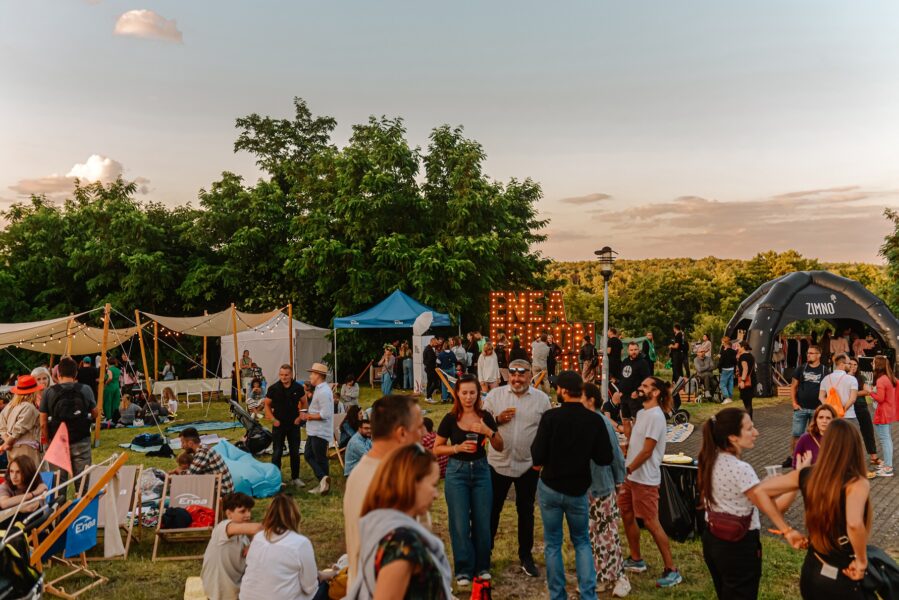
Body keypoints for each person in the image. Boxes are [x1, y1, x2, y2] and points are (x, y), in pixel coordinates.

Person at [697, 407, 806, 599]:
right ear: (733, 437)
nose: (756, 432)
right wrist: (787, 530)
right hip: (739, 546)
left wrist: (769, 485)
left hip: (713, 540)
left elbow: (746, 493)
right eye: (749, 429)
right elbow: (774, 506)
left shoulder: (710, 459)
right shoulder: (741, 469)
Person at [757, 419, 871, 599]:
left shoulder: (807, 474)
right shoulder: (857, 482)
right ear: (855, 447)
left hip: (813, 568)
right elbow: (854, 524)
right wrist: (862, 560)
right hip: (844, 573)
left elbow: (759, 491)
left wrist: (786, 530)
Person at [531, 371, 613, 600]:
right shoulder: (594, 420)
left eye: (558, 387)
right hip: (578, 489)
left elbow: (537, 455)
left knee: (552, 544)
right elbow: (605, 458)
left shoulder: (550, 417)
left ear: (564, 391)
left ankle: (558, 595)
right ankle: (588, 594)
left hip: (550, 487)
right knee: (582, 543)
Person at [347, 444, 453, 600]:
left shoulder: (385, 527)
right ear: (411, 484)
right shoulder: (402, 543)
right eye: (433, 485)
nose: (436, 494)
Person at [344, 394, 423, 587]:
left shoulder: (366, 470)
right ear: (402, 433)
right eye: (419, 427)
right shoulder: (385, 481)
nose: (423, 434)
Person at [483, 358, 551, 578]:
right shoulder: (494, 396)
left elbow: (547, 432)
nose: (517, 378)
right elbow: (481, 424)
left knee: (526, 512)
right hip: (497, 463)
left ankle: (526, 557)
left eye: (522, 374)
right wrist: (497, 419)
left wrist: (539, 462)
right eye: (513, 374)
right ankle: (485, 555)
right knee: (492, 511)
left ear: (530, 375)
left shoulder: (541, 399)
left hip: (527, 466)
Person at [433, 375, 503, 586]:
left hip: (481, 471)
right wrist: (457, 448)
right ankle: (463, 569)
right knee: (460, 522)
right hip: (457, 472)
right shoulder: (450, 419)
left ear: (478, 394)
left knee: (483, 521)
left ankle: (482, 567)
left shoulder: (485, 416)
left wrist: (487, 431)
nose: (468, 397)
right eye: (464, 393)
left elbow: (500, 446)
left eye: (472, 392)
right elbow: (436, 448)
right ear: (457, 394)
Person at [619, 376, 682, 588]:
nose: (640, 388)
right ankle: (636, 559)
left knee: (651, 522)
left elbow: (647, 451)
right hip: (631, 477)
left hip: (645, 479)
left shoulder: (656, 416)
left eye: (645, 386)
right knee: (627, 515)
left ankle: (672, 570)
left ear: (655, 393)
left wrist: (628, 468)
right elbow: (635, 443)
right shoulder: (642, 413)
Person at [582, 383, 628, 596]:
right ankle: (600, 576)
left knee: (607, 534)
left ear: (590, 400)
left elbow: (616, 455)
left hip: (602, 486)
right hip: (586, 487)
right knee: (592, 536)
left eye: (580, 397)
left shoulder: (601, 422)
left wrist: (619, 483)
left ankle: (619, 577)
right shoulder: (583, 421)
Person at [239, 493, 331, 600]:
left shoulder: (258, 537)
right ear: (295, 515)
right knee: (325, 588)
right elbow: (310, 587)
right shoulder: (301, 543)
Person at [40, 356, 97, 479]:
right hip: (81, 438)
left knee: (58, 481)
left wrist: (48, 441)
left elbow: (43, 422)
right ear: (76, 373)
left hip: (58, 440)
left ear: (58, 374)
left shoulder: (48, 392)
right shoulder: (86, 389)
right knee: (83, 480)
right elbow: (95, 413)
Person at [201, 492, 263, 600]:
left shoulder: (243, 536)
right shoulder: (222, 528)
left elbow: (256, 534)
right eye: (242, 511)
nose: (248, 515)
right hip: (219, 591)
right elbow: (257, 528)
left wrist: (252, 545)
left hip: (235, 588)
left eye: (249, 510)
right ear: (229, 513)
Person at [783, 345, 826, 468]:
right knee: (797, 434)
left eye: (811, 353)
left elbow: (828, 390)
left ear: (819, 355)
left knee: (815, 435)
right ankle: (795, 458)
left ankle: (815, 459)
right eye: (808, 353)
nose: (808, 355)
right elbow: (793, 386)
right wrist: (794, 403)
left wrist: (822, 407)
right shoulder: (801, 368)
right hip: (800, 408)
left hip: (816, 410)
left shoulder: (825, 370)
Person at [264, 364, 305, 488]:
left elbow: (304, 403)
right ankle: (276, 479)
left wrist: (299, 417)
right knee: (277, 452)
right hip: (279, 424)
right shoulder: (273, 388)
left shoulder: (298, 388)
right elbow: (267, 405)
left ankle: (295, 478)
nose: (284, 377)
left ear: (291, 375)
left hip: (293, 425)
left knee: (295, 452)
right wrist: (272, 419)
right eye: (281, 375)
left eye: (286, 375)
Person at [302, 362, 334, 495]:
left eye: (312, 374)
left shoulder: (323, 392)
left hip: (320, 431)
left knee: (320, 458)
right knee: (308, 455)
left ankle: (324, 483)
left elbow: (325, 414)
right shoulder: (320, 389)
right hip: (314, 430)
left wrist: (308, 416)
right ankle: (323, 480)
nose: (310, 376)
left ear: (318, 375)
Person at [0, 374, 44, 464]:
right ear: (34, 392)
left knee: (15, 472)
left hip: (12, 451)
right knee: (29, 472)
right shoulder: (29, 407)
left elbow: (2, 427)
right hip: (27, 452)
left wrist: (7, 442)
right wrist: (6, 444)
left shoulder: (10, 406)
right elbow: (18, 429)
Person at [178, 427, 235, 494]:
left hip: (222, 493)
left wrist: (178, 472)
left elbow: (188, 476)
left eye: (183, 443)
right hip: (219, 488)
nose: (181, 446)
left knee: (183, 490)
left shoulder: (202, 453)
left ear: (190, 443)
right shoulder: (203, 447)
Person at [848, 357, 880, 469]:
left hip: (861, 407)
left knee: (868, 431)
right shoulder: (844, 377)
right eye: (850, 364)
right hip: (848, 408)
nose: (853, 366)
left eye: (855, 365)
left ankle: (874, 457)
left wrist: (852, 393)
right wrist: (857, 392)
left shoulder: (861, 377)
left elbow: (867, 391)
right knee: (850, 434)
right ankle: (850, 459)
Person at [870, 355, 896, 477]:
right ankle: (887, 464)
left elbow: (880, 398)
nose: (872, 364)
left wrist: (870, 391)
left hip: (883, 413)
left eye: (873, 362)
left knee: (885, 440)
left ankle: (888, 468)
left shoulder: (881, 380)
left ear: (878, 365)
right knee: (886, 439)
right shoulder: (888, 378)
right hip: (888, 412)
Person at [618, 342, 651, 436]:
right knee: (625, 420)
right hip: (624, 396)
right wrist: (620, 391)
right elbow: (622, 377)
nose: (633, 352)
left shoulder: (643, 363)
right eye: (631, 350)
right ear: (628, 351)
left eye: (635, 349)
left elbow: (647, 380)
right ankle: (629, 441)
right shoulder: (625, 361)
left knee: (636, 420)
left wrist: (638, 391)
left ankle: (637, 442)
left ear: (638, 350)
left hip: (635, 397)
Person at [819, 353, 858, 424]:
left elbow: (821, 396)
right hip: (848, 415)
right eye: (849, 363)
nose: (851, 366)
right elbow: (853, 399)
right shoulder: (852, 379)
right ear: (842, 364)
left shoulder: (826, 379)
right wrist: (842, 410)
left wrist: (830, 409)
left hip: (831, 416)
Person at [736, 342, 757, 417]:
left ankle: (749, 420)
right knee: (749, 402)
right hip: (752, 380)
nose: (737, 348)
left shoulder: (743, 357)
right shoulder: (751, 356)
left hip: (746, 382)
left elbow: (745, 369)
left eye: (738, 346)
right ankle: (749, 419)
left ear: (743, 347)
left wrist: (742, 381)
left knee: (747, 403)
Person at [718, 336, 737, 404]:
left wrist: (718, 367)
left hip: (725, 369)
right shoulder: (734, 352)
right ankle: (730, 397)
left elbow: (721, 362)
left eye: (722, 342)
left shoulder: (724, 352)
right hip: (732, 369)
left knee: (722, 385)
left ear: (725, 342)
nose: (722, 344)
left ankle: (727, 397)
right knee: (730, 383)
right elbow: (735, 361)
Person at [102, 356, 122, 421]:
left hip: (110, 387)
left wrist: (106, 383)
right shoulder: (118, 369)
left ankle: (108, 417)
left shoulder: (110, 369)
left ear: (108, 362)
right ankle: (115, 417)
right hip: (116, 387)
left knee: (108, 402)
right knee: (115, 403)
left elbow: (110, 378)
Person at [423, 337, 440, 402]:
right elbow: (430, 359)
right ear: (432, 342)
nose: (436, 344)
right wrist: (436, 358)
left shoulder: (428, 348)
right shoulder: (429, 349)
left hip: (429, 368)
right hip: (431, 369)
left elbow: (426, 360)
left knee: (429, 383)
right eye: (435, 343)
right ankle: (428, 396)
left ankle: (428, 397)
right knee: (436, 383)